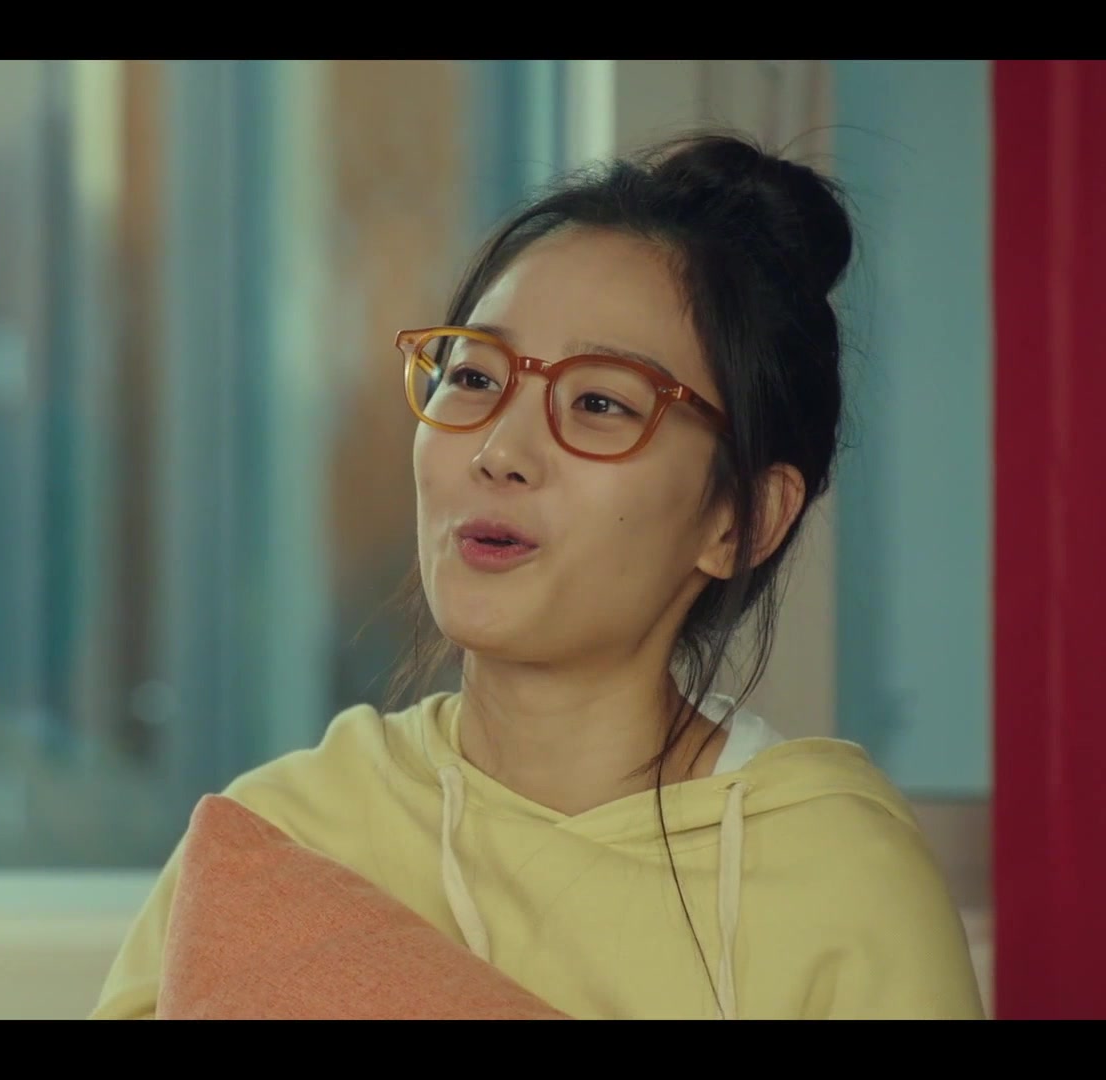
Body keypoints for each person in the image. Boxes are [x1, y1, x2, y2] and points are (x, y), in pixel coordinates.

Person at [91, 132, 987, 1020]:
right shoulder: (279, 846)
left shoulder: (834, 882)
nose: (499, 450)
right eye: (474, 377)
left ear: (739, 518)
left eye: (599, 402)